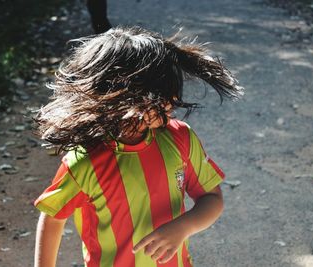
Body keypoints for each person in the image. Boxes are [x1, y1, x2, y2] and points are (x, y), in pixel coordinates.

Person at [33, 26, 243, 267]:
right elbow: (52, 218)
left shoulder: (180, 138)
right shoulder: (84, 161)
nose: (173, 102)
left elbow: (211, 197)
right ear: (124, 95)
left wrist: (183, 227)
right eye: (163, 95)